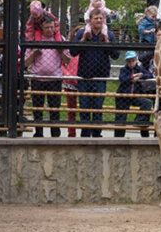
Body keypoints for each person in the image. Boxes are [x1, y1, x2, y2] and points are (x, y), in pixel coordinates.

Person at [70, 8, 119, 137]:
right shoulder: (82, 32)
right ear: (90, 20)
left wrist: (107, 41)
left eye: (101, 18)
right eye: (96, 18)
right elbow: (73, 52)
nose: (98, 20)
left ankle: (97, 133)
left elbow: (116, 55)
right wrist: (83, 40)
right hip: (84, 76)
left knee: (98, 106)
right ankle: (85, 134)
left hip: (100, 76)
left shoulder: (109, 34)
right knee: (85, 106)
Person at [25, 15, 70, 138]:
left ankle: (55, 133)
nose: (50, 30)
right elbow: (26, 62)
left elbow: (68, 60)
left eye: (52, 27)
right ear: (42, 28)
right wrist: (34, 53)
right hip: (37, 79)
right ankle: (38, 132)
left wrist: (60, 52)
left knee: (54, 108)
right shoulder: (35, 40)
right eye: (47, 27)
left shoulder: (60, 39)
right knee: (37, 108)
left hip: (55, 79)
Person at [114, 51, 153, 138]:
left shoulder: (139, 69)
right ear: (126, 62)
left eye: (133, 61)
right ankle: (118, 138)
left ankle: (140, 121)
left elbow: (150, 75)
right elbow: (122, 78)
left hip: (135, 95)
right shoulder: (124, 70)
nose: (131, 63)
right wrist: (132, 77)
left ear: (136, 60)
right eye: (129, 61)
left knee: (147, 102)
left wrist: (140, 76)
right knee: (121, 118)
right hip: (123, 96)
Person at [61, 25, 85, 138]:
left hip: (83, 81)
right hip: (70, 82)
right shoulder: (68, 49)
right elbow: (61, 64)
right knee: (71, 110)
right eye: (77, 32)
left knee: (85, 108)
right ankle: (71, 133)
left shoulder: (86, 50)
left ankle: (86, 132)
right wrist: (66, 73)